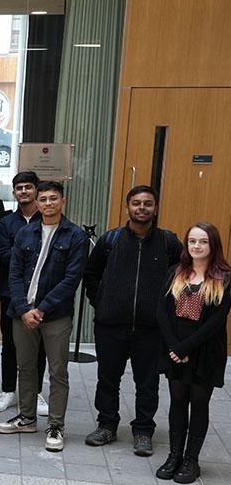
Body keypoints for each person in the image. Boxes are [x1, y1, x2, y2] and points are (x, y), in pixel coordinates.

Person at [83, 185, 181, 456]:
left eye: (147, 204)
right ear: (127, 207)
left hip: (151, 329)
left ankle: (143, 431)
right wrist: (102, 302)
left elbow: (181, 279)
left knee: (147, 382)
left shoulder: (168, 242)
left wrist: (167, 313)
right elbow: (90, 274)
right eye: (136, 203)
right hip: (110, 326)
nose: (141, 208)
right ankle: (107, 425)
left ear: (155, 208)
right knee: (107, 379)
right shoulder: (110, 240)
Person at [0, 181, 88, 452]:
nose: (48, 204)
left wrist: (42, 308)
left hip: (55, 315)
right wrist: (23, 308)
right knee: (25, 367)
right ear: (37, 203)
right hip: (22, 313)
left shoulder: (75, 237)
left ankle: (55, 425)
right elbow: (13, 273)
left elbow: (71, 280)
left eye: (53, 199)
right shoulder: (25, 233)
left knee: (58, 371)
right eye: (43, 199)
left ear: (63, 201)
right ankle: (27, 418)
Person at [154, 222, 231, 484]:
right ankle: (174, 455)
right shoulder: (175, 272)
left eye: (203, 242)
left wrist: (185, 347)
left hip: (204, 350)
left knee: (199, 403)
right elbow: (161, 311)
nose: (196, 246)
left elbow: (217, 320)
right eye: (192, 241)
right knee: (177, 401)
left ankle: (191, 460)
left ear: (213, 245)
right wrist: (174, 347)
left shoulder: (224, 277)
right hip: (175, 347)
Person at [0, 170, 46, 414]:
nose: (23, 191)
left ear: (36, 190)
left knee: (39, 344)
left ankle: (35, 392)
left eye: (28, 187)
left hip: (41, 293)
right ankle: (7, 389)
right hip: (11, 292)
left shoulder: (46, 220)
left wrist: (21, 254)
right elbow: (4, 255)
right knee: (10, 342)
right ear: (14, 192)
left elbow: (49, 257)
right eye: (19, 188)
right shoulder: (5, 223)